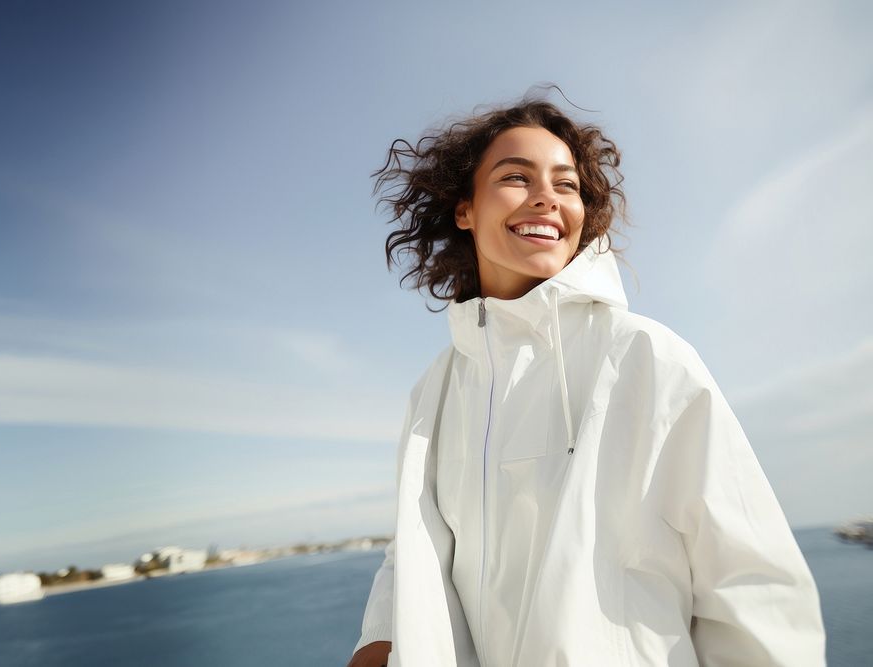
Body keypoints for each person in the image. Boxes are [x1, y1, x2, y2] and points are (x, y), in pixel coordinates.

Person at [347, 94, 826, 666]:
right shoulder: (436, 390)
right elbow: (412, 561)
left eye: (567, 184)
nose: (546, 197)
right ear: (464, 209)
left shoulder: (645, 355)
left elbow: (751, 584)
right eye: (516, 176)